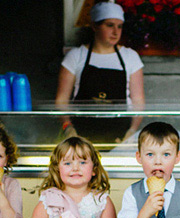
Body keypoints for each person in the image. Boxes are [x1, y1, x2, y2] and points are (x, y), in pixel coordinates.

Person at [56, 0, 145, 143]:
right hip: (81, 134)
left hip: (119, 135)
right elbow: (61, 100)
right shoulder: (76, 56)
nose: (116, 32)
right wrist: (68, 128)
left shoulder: (130, 57)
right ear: (94, 26)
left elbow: (138, 102)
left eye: (119, 26)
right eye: (110, 25)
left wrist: (132, 131)